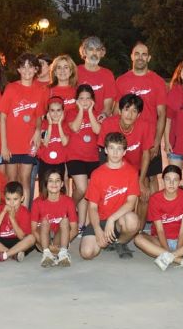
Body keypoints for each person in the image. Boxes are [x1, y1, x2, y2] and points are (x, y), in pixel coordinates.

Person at [134, 164, 183, 270]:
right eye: (168, 179)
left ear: (179, 181)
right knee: (138, 239)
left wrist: (175, 252)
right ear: (163, 181)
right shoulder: (155, 199)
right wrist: (167, 251)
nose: (171, 183)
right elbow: (160, 231)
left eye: (175, 180)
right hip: (160, 241)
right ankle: (180, 260)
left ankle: (170, 257)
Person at [79, 132, 141, 260]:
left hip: (119, 220)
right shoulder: (97, 174)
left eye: (119, 149)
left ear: (124, 152)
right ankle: (107, 240)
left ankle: (120, 242)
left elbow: (131, 203)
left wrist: (112, 219)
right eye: (111, 148)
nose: (115, 152)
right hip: (100, 220)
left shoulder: (132, 172)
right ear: (106, 150)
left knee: (133, 221)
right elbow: (93, 207)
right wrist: (97, 230)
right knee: (87, 253)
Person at [100, 93, 156, 227]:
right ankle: (107, 222)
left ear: (138, 115)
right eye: (126, 109)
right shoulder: (109, 123)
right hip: (115, 166)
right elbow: (104, 153)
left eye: (134, 111)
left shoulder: (145, 126)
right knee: (112, 192)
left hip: (135, 169)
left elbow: (146, 154)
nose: (129, 114)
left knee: (144, 192)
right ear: (119, 111)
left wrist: (141, 180)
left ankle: (139, 230)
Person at [0, 53, 47, 196]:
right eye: (23, 67)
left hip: (29, 142)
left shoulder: (40, 90)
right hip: (11, 143)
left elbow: (39, 116)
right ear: (18, 70)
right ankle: (11, 214)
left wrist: (38, 131)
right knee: (11, 180)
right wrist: (4, 145)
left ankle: (24, 215)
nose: (27, 70)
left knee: (25, 179)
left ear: (36, 69)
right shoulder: (11, 88)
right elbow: (2, 118)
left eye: (30, 67)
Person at [116, 41, 168, 155]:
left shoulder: (158, 82)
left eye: (144, 54)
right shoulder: (121, 81)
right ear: (132, 56)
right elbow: (116, 112)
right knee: (127, 173)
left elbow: (162, 114)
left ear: (148, 58)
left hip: (150, 138)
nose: (140, 57)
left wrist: (157, 141)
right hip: (126, 138)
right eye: (137, 54)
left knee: (150, 173)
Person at [65, 84, 102, 231]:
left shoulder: (97, 113)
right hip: (74, 156)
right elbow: (74, 127)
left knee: (87, 192)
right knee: (81, 188)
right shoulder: (71, 112)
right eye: (81, 98)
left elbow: (98, 130)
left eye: (88, 98)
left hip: (92, 157)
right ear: (76, 100)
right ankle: (67, 209)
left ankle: (81, 224)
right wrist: (80, 110)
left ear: (93, 99)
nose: (85, 101)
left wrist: (91, 112)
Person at [31, 170, 77, 267]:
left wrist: (60, 247)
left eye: (57, 181)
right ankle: (47, 254)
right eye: (51, 181)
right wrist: (48, 247)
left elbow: (74, 229)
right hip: (43, 241)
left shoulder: (68, 201)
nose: (54, 184)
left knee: (65, 221)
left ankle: (63, 253)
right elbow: (33, 229)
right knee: (44, 221)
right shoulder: (37, 202)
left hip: (59, 239)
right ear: (46, 184)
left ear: (61, 184)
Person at [0, 181, 36, 262]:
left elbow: (21, 236)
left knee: (31, 239)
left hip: (17, 241)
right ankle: (13, 254)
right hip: (2, 240)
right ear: (4, 198)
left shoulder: (25, 212)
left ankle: (4, 255)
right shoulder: (1, 208)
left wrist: (12, 218)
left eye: (15, 199)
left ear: (22, 198)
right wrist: (3, 212)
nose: (11, 203)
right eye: (8, 199)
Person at [76, 36, 118, 118]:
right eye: (91, 49)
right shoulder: (75, 72)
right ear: (84, 52)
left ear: (102, 53)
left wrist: (103, 116)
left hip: (99, 121)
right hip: (78, 122)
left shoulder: (107, 75)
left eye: (98, 50)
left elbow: (107, 107)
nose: (94, 53)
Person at [38, 96, 70, 186]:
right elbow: (45, 143)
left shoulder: (65, 125)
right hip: (45, 161)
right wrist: (50, 124)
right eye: (52, 110)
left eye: (58, 110)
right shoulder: (44, 124)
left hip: (60, 162)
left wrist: (59, 124)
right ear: (48, 112)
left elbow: (65, 142)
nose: (55, 114)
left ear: (63, 112)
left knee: (61, 187)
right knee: (45, 187)